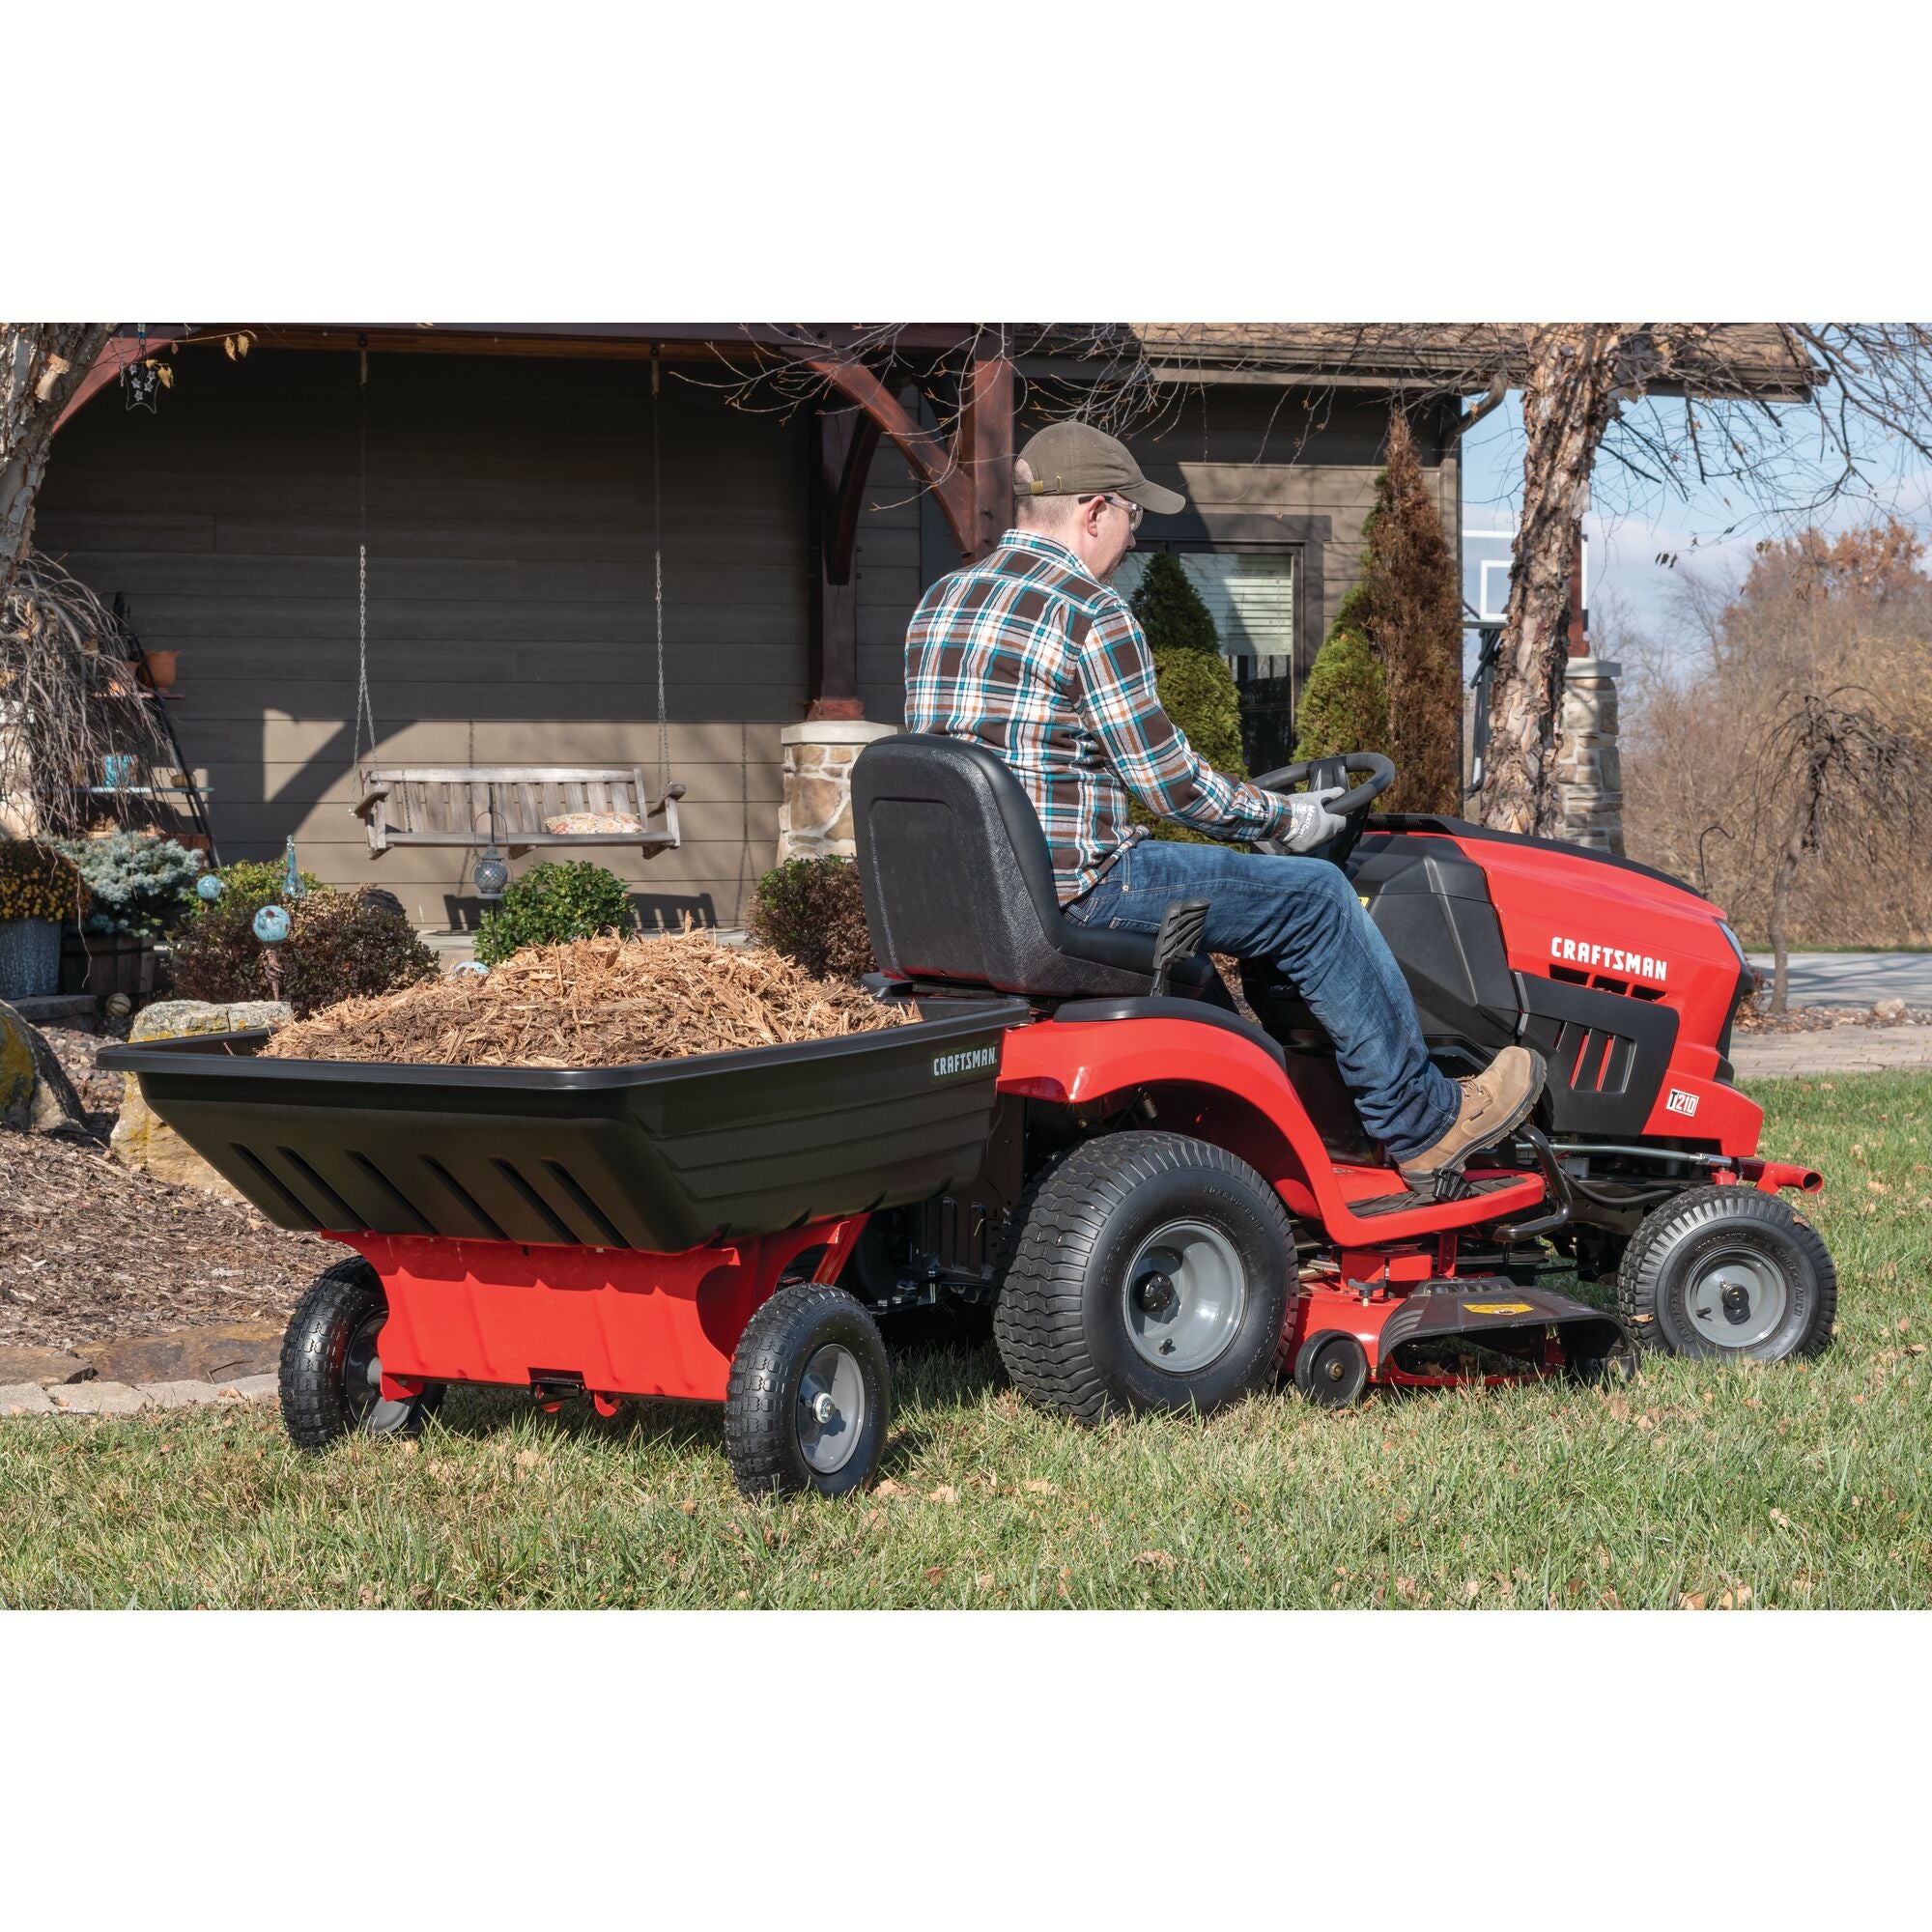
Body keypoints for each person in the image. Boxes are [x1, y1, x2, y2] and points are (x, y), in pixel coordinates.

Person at [902, 420, 1544, 1188]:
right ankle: (1425, 1120)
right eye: (1132, 519)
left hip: (970, 907)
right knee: (1317, 899)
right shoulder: (1088, 612)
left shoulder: (941, 601)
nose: (1132, 541)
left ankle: (1254, 1137)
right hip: (1079, 891)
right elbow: (1170, 783)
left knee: (1198, 963)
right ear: (1095, 511)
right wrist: (1288, 820)